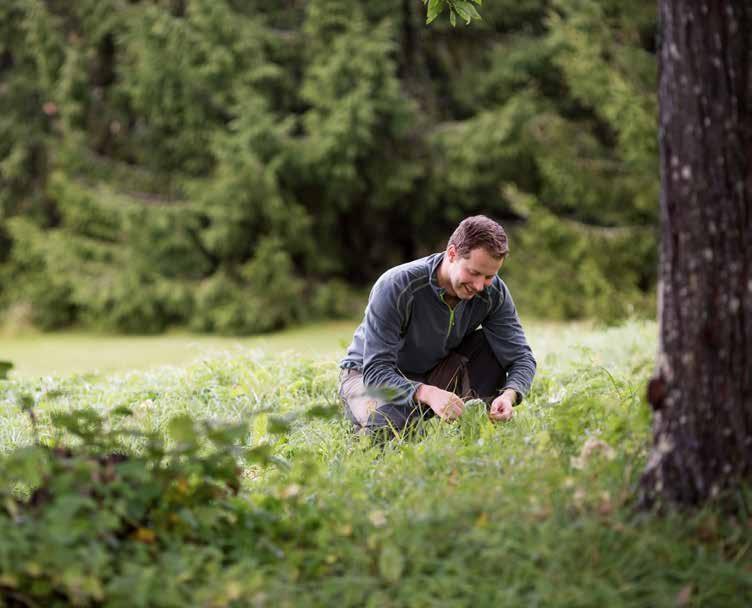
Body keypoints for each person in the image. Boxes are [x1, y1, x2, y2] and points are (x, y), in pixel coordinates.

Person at [339, 215, 536, 436]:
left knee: (490, 347)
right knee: (391, 431)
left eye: (489, 276)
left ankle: (476, 429)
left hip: (432, 372)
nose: (480, 285)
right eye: (473, 272)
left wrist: (509, 395)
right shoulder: (398, 285)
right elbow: (376, 372)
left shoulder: (493, 293)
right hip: (368, 376)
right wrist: (428, 393)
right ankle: (372, 422)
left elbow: (521, 357)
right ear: (452, 254)